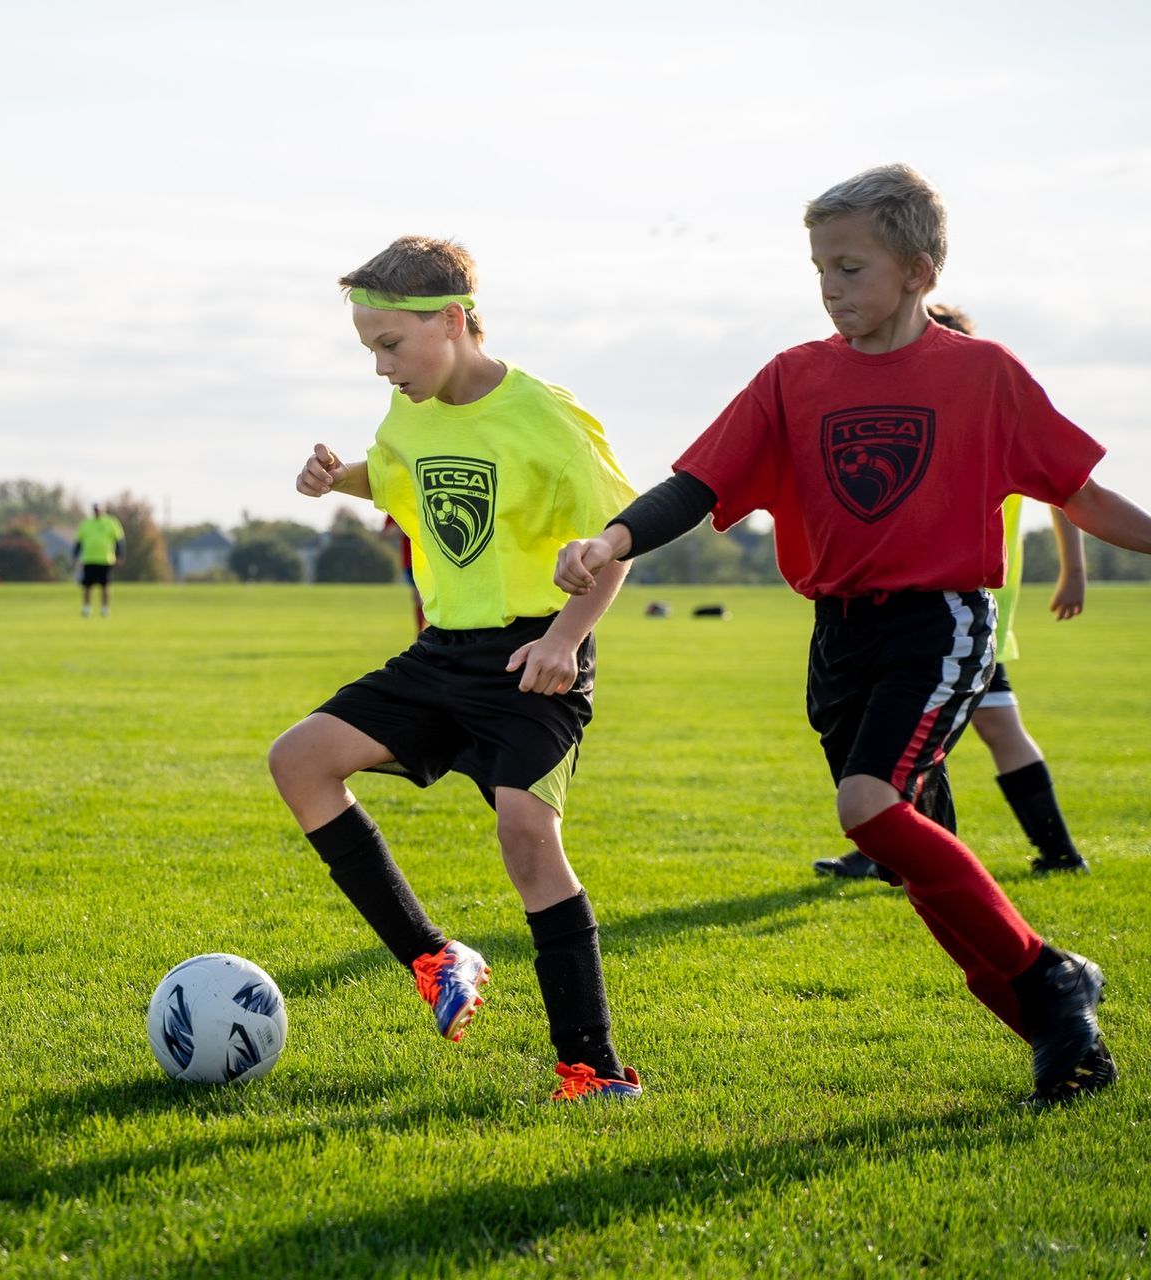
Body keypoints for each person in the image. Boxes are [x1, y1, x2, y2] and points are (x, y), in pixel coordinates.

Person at [555, 165, 1151, 1106]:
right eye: (820, 271)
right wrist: (615, 537)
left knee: (870, 808)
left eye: (851, 269)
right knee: (920, 862)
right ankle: (1055, 1034)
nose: (831, 290)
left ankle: (1051, 981)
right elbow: (702, 484)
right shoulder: (793, 377)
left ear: (917, 271)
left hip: (943, 620)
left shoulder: (983, 372)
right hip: (837, 637)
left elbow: (1077, 491)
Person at [268, 235, 643, 1102]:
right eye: (368, 349)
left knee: (526, 835)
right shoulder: (409, 413)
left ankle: (593, 1069)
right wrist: (341, 479)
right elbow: (404, 480)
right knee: (300, 761)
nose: (379, 367)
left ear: (453, 319)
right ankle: (434, 958)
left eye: (389, 345)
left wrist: (565, 639)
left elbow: (619, 540)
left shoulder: (547, 417)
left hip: (534, 654)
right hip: (442, 653)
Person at [816, 304, 1090, 879]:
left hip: (960, 612)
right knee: (961, 732)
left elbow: (1069, 488)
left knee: (912, 736)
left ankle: (897, 849)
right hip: (956, 614)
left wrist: (1074, 571)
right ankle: (1044, 853)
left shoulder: (981, 413)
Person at [73, 502, 125, 617]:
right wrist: (76, 556)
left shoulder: (111, 522)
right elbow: (79, 541)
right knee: (87, 586)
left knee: (105, 585)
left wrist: (120, 555)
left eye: (99, 510)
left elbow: (119, 540)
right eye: (95, 510)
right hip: (89, 559)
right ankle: (87, 609)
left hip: (105, 559)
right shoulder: (86, 524)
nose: (97, 512)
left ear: (103, 510)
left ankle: (105, 609)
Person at [382, 514, 426, 633]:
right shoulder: (398, 505)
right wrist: (403, 526)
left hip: (430, 559)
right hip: (410, 561)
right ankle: (421, 633)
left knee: (424, 598)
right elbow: (386, 533)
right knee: (418, 598)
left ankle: (424, 634)